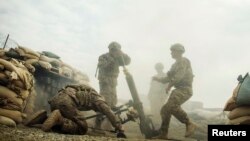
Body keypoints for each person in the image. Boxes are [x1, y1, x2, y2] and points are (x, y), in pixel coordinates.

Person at [25, 84, 124, 136]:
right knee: (83, 128)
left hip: (55, 100)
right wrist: (119, 128)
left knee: (70, 119)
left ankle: (43, 118)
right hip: (67, 103)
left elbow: (66, 87)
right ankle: (59, 119)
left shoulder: (84, 88)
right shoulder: (99, 100)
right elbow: (109, 113)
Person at [152, 43, 196, 139]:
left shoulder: (183, 61)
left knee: (171, 106)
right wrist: (158, 79)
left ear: (179, 51)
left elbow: (178, 77)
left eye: (173, 51)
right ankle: (164, 133)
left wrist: (169, 85)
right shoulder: (175, 64)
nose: (171, 53)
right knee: (165, 110)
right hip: (179, 89)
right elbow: (168, 77)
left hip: (185, 89)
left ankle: (189, 123)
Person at [96, 41, 131, 129]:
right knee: (104, 103)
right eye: (113, 49)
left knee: (112, 103)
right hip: (105, 81)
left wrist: (122, 54)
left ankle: (108, 125)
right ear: (110, 49)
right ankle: (97, 124)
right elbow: (103, 66)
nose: (114, 51)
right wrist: (113, 58)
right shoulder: (103, 57)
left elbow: (127, 62)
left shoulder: (118, 57)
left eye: (116, 50)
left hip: (113, 82)